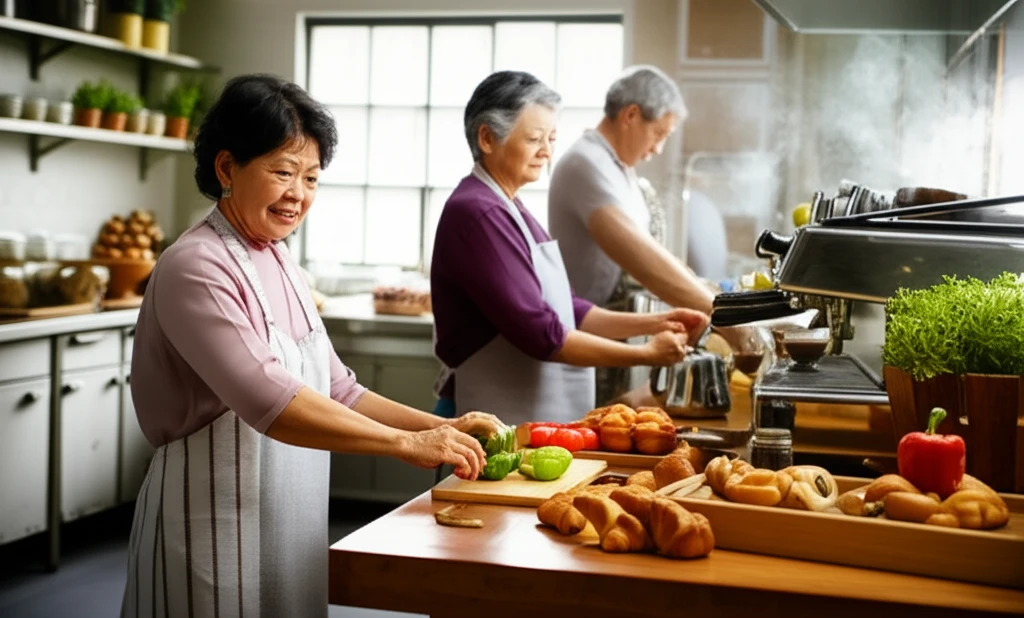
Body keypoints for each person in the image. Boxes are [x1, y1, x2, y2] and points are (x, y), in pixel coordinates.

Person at [120, 74, 501, 618]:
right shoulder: (196, 266)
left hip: (288, 522)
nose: (298, 194)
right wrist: (405, 444)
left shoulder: (279, 258)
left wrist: (440, 427)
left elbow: (339, 390)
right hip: (210, 524)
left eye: (312, 177)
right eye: (283, 172)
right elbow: (269, 400)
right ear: (227, 168)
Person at [430, 71, 708, 427]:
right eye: (534, 139)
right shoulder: (478, 212)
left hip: (523, 417)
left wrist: (656, 323)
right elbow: (542, 333)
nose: (547, 152)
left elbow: (568, 309)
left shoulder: (510, 208)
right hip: (488, 421)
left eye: (551, 138)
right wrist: (646, 353)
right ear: (487, 138)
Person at [548, 65, 715, 314]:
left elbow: (655, 252)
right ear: (631, 115)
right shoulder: (585, 163)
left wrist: (708, 291)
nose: (658, 148)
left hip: (617, 321)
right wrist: (721, 312)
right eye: (659, 134)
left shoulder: (620, 168)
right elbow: (644, 261)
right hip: (585, 324)